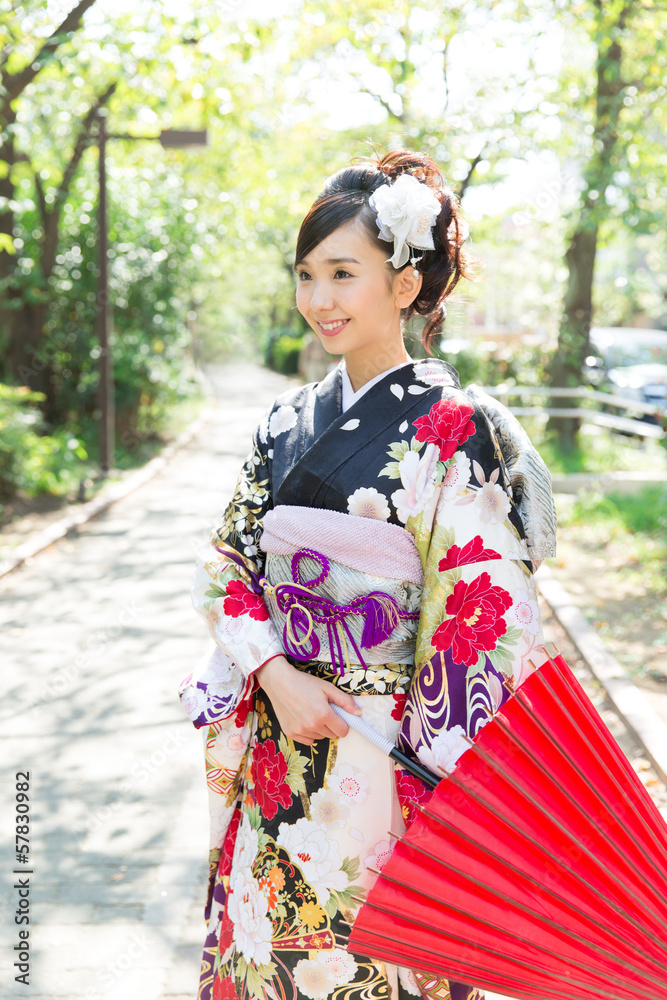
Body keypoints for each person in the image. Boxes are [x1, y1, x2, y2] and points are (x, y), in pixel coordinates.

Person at [179, 149, 557, 1000]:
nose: (318, 300)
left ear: (406, 283)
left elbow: (483, 609)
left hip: (390, 754)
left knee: (377, 960)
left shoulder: (458, 427)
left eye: (342, 274)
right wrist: (275, 676)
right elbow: (227, 562)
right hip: (281, 736)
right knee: (270, 948)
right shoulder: (283, 421)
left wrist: (428, 767)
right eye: (306, 275)